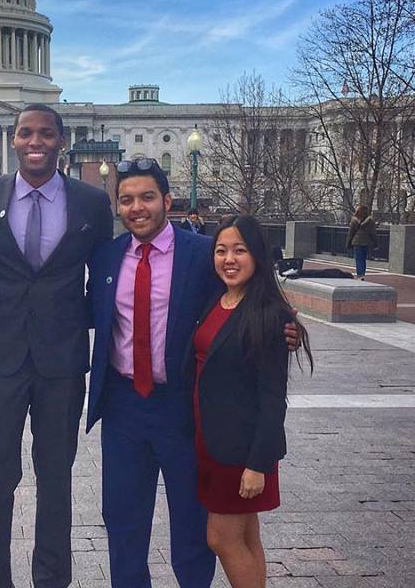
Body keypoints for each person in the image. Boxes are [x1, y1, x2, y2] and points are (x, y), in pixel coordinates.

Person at [88, 160, 300, 588]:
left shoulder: (203, 253)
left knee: (192, 525)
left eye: (147, 197)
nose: (137, 208)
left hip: (185, 408)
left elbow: (245, 297)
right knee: (124, 522)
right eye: (126, 200)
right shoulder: (107, 257)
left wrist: (283, 325)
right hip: (124, 407)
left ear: (167, 201)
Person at [0, 104, 112, 588]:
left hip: (62, 362)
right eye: (26, 132)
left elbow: (104, 278)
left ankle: (52, 579)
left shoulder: (90, 203)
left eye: (46, 133)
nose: (35, 141)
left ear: (61, 140)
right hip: (1, 359)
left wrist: (73, 319)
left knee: (55, 477)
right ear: (12, 139)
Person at [194, 215, 313, 588]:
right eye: (221, 250)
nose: (229, 259)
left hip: (239, 450)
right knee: (246, 537)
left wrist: (258, 463)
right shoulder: (218, 299)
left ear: (258, 256)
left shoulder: (269, 316)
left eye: (240, 251)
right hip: (210, 440)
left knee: (221, 537)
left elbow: (273, 397)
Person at [346, 205, 378, 279]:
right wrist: (376, 243)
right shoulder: (371, 220)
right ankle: (362, 274)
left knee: (358, 259)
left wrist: (348, 243)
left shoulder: (354, 220)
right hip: (367, 242)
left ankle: (359, 275)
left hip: (357, 242)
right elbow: (373, 233)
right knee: (363, 259)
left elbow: (351, 233)